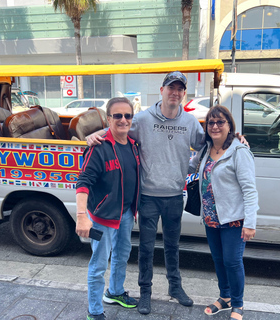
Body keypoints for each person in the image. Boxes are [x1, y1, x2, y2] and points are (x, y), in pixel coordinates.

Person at [87, 71, 203, 314]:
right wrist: (93, 134)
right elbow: (117, 131)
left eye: (180, 88)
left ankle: (175, 287)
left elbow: (209, 144)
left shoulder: (191, 123)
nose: (175, 92)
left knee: (173, 246)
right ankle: (145, 293)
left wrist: (191, 167)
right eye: (171, 87)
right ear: (162, 90)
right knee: (146, 249)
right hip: (148, 197)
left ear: (184, 93)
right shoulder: (141, 119)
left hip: (174, 196)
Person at [188, 105, 258, 320]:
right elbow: (190, 167)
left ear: (229, 126)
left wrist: (250, 223)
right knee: (219, 260)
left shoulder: (239, 151)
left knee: (232, 261)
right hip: (210, 217)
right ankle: (225, 297)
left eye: (220, 122)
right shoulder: (205, 149)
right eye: (211, 122)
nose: (215, 126)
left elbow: (250, 189)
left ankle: (238, 303)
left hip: (233, 219)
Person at [76, 97, 141, 320]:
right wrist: (81, 216)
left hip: (125, 214)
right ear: (108, 118)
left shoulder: (133, 145)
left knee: (122, 254)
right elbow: (83, 182)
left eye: (128, 115)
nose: (123, 120)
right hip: (102, 217)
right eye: (117, 116)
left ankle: (114, 292)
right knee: (98, 265)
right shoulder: (98, 148)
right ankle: (94, 312)